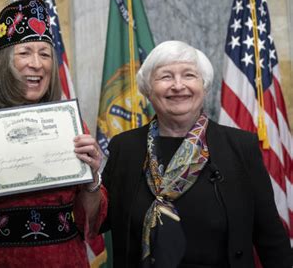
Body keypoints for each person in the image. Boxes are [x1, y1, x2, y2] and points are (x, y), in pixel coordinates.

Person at [100, 40, 293, 267]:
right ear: (148, 90)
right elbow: (99, 221)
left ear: (204, 85)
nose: (178, 85)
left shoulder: (241, 146)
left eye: (189, 75)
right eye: (165, 77)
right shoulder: (124, 147)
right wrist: (88, 176)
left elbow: (270, 237)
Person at [0, 0, 107, 267]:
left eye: (45, 54)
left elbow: (90, 222)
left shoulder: (69, 123)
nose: (36, 64)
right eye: (25, 52)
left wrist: (92, 179)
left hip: (64, 260)